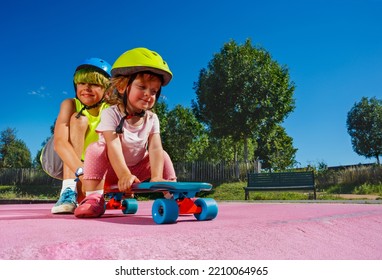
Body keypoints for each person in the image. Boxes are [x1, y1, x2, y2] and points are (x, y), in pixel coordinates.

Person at [74, 47, 177, 218]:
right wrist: (123, 174)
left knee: (163, 154)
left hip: (137, 168)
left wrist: (157, 176)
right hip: (110, 171)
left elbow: (155, 148)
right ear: (122, 87)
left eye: (153, 91)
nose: (148, 94)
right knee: (95, 148)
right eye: (142, 87)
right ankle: (93, 198)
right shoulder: (111, 113)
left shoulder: (152, 118)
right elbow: (112, 145)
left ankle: (174, 195)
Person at [44, 58, 111, 214]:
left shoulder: (110, 110)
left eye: (94, 84)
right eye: (82, 83)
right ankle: (67, 191)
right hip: (56, 159)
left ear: (106, 90)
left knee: (83, 201)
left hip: (85, 163)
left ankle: (78, 195)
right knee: (78, 119)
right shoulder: (70, 104)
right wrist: (82, 174)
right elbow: (60, 143)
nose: (86, 88)